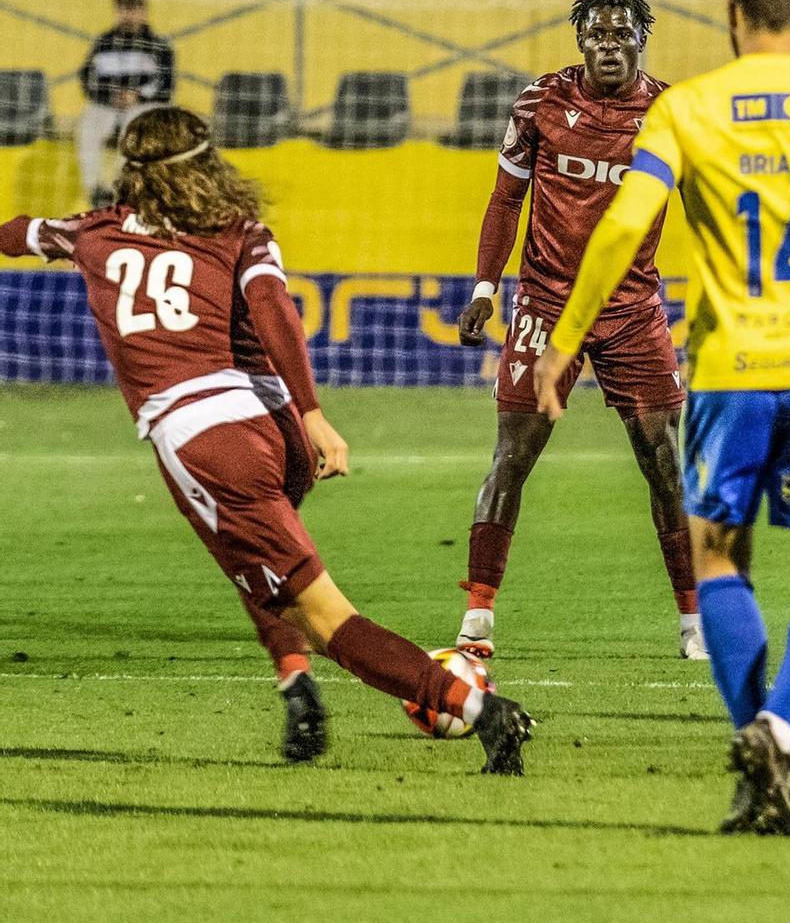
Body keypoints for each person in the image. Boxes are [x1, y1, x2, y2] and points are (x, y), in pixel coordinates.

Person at [0, 107, 535, 770]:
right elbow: (275, 310)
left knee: (323, 615)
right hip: (272, 425)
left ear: (131, 170)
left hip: (207, 442)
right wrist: (305, 416)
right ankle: (295, 681)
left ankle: (480, 710)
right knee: (257, 569)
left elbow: (17, 233)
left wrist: (316, 416)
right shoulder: (241, 231)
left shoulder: (92, 233)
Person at [539, 0, 790, 836]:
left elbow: (623, 228)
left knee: (720, 558)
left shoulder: (687, 109)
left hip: (727, 369)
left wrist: (564, 339)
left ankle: (755, 752)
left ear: (732, 13)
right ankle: (780, 724)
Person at [451, 0, 703, 661]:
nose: (610, 46)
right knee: (513, 456)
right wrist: (485, 286)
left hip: (632, 309)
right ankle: (476, 619)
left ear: (642, 40)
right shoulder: (539, 102)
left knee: (663, 462)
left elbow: (704, 206)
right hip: (544, 303)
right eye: (597, 35)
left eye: (623, 35)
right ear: (581, 41)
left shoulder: (672, 112)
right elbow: (506, 199)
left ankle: (694, 622)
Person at [77, 0, 175, 207]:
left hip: (144, 106)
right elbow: (87, 79)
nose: (129, 12)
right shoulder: (104, 43)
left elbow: (167, 88)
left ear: (144, 10)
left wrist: (137, 97)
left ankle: (120, 188)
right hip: (108, 106)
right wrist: (110, 97)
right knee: (88, 125)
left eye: (134, 7)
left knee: (135, 127)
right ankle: (94, 190)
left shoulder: (159, 46)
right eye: (124, 7)